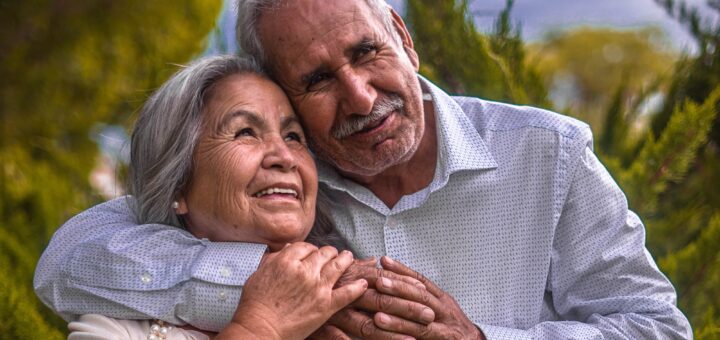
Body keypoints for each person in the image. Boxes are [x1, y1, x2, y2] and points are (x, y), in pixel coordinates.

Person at [36, 0, 693, 338]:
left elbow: (656, 329)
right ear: (282, 93)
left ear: (404, 40)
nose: (358, 96)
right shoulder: (284, 180)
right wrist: (296, 290)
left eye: (367, 52)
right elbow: (69, 260)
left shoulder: (550, 153)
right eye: (317, 79)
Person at [63, 54, 377, 339]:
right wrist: (260, 327)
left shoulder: (357, 318)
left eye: (293, 136)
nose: (285, 156)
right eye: (245, 132)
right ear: (179, 185)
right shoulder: (113, 331)